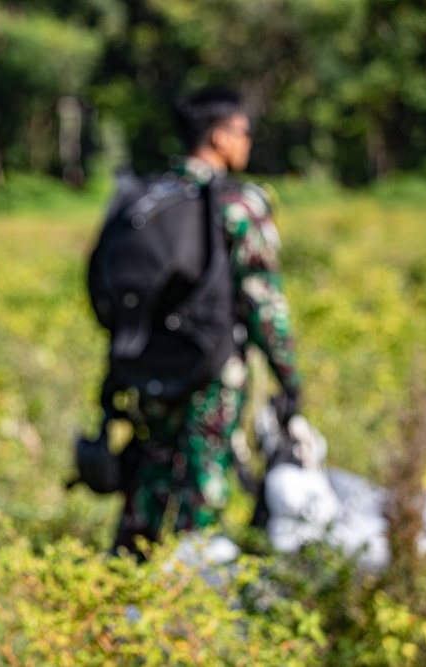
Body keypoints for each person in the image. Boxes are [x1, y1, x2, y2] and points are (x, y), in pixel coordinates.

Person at [109, 86, 303, 553]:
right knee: (204, 483)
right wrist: (288, 378)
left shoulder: (147, 198)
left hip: (149, 363)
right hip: (212, 370)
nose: (248, 142)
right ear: (219, 137)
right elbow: (263, 302)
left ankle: (119, 587)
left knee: (151, 472)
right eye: (244, 132)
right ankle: (190, 594)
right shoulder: (238, 204)